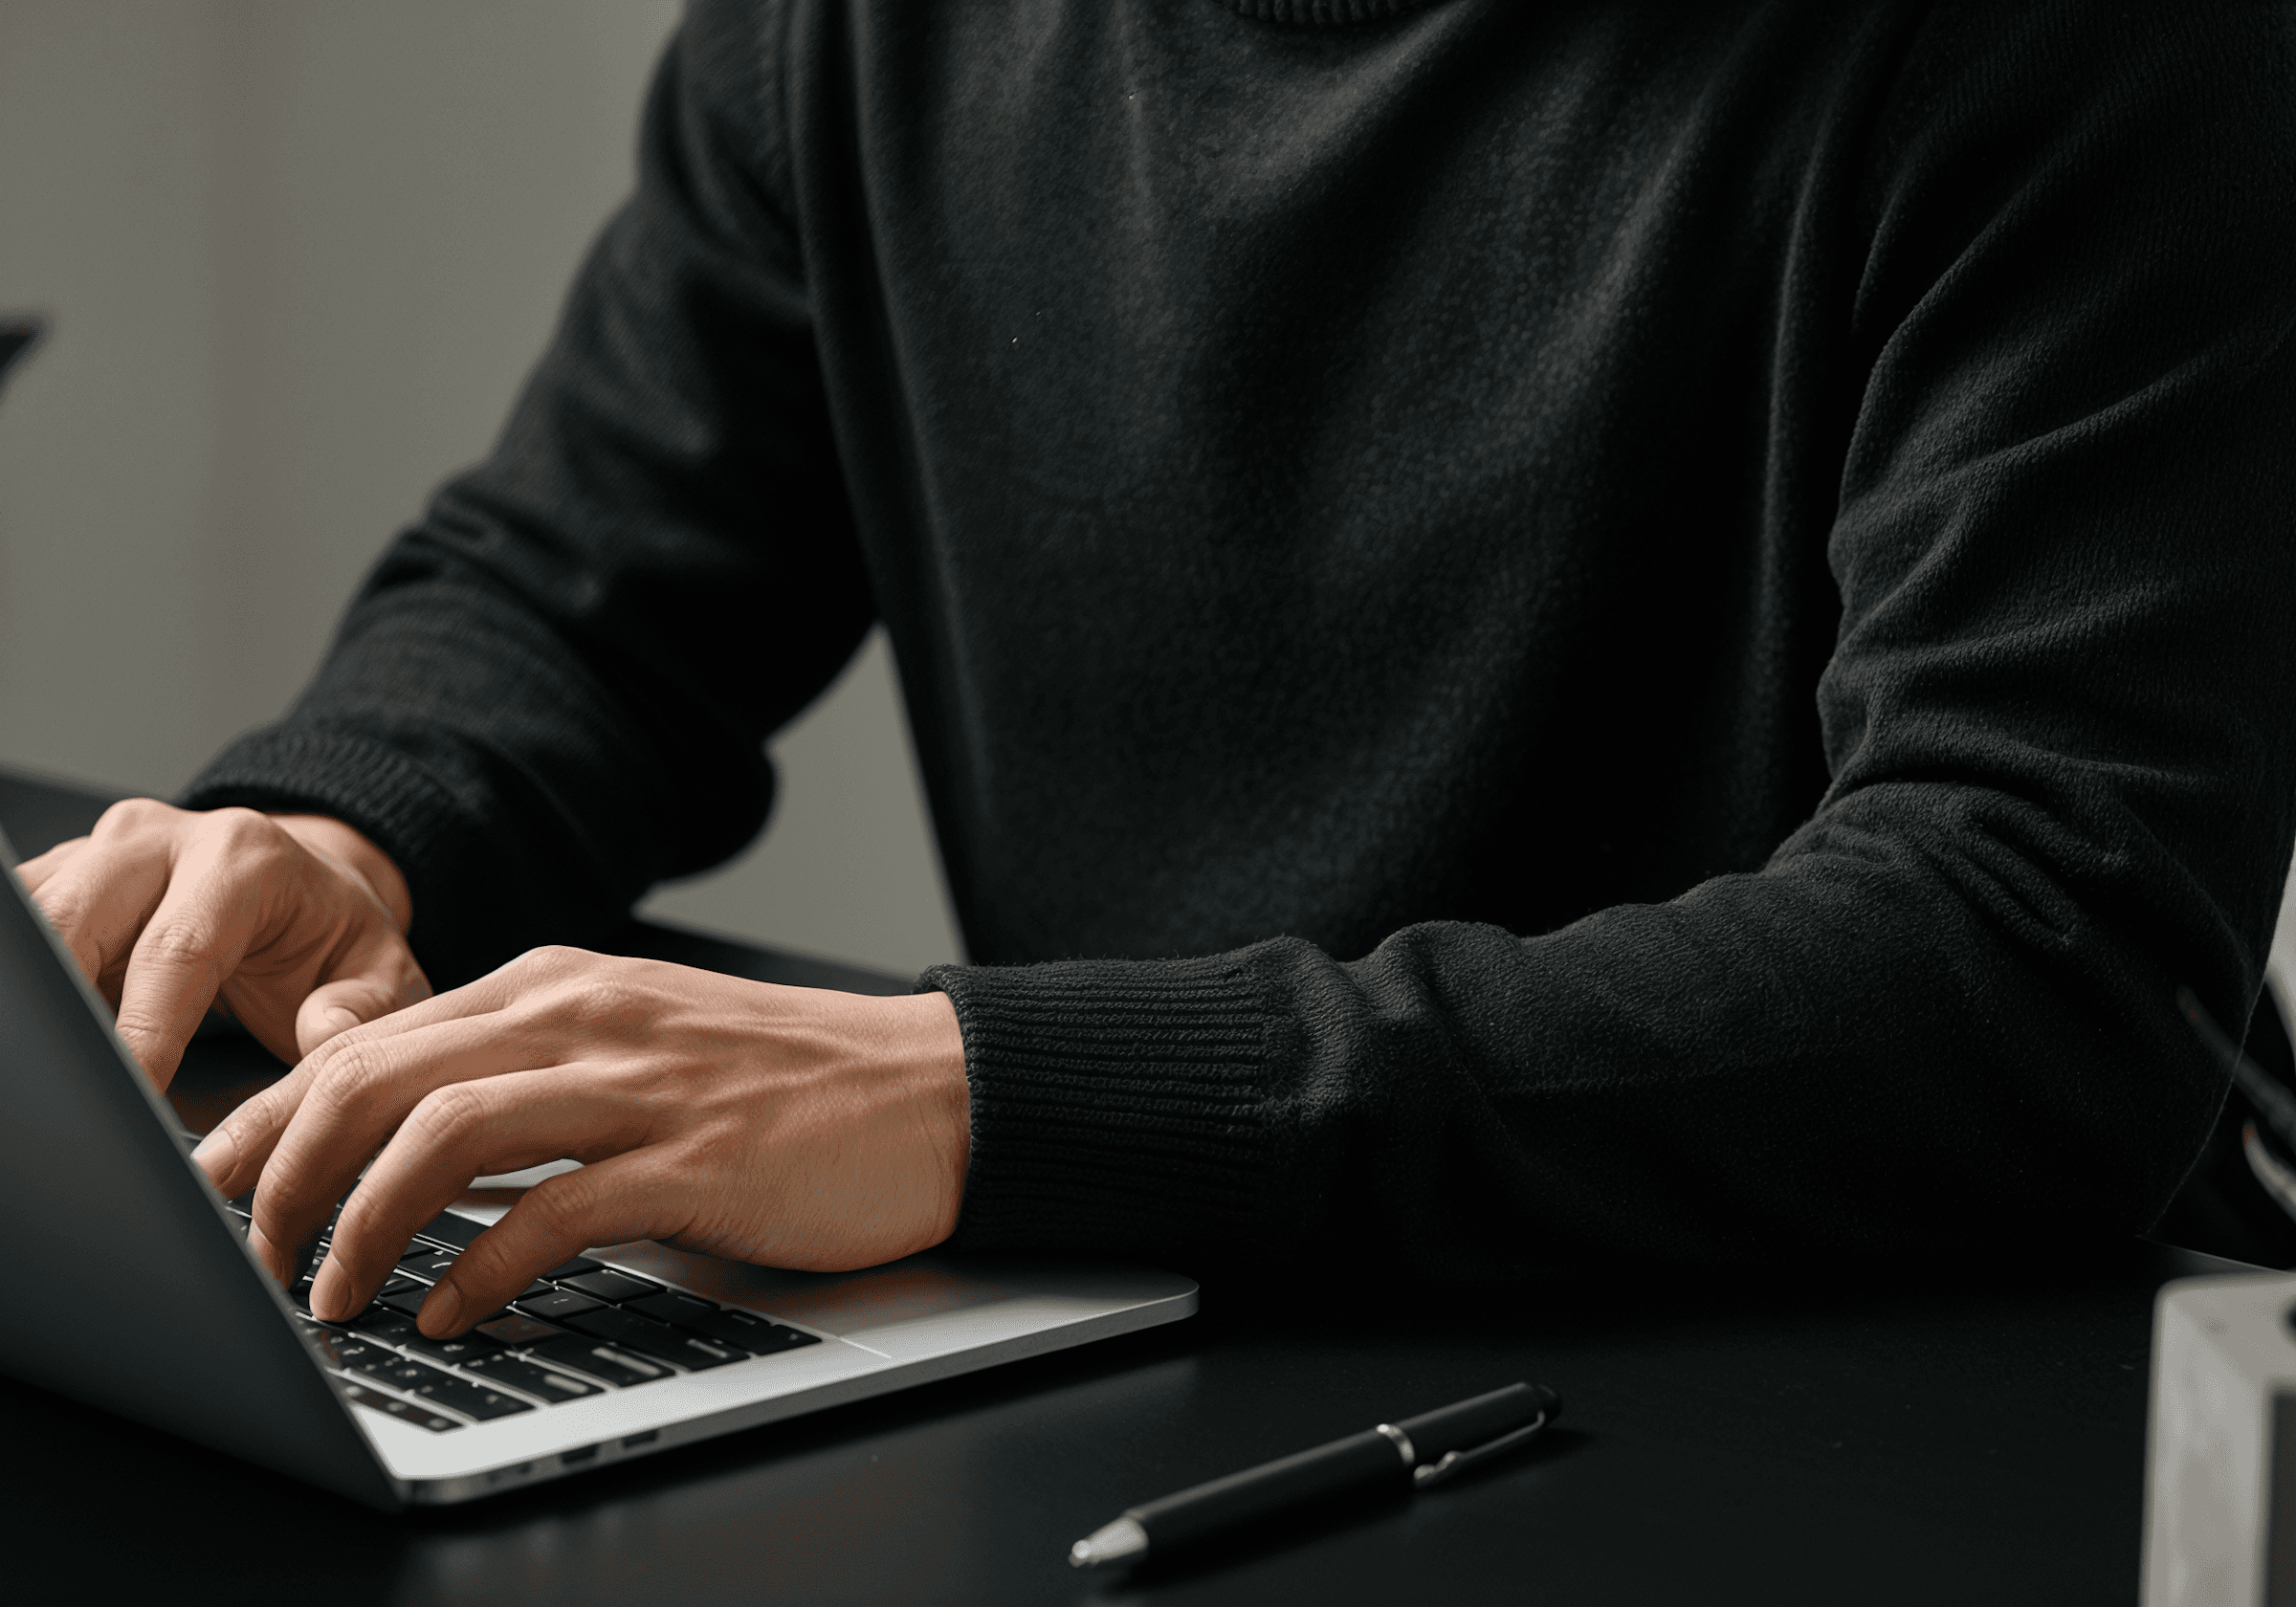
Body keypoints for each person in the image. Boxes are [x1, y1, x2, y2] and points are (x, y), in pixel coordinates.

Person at [21, 0, 2296, 1336]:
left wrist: (982, 1097)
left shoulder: (2089, 47)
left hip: (1929, 1382)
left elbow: (2039, 960)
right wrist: (348, 827)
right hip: (1191, 1324)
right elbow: (583, 575)